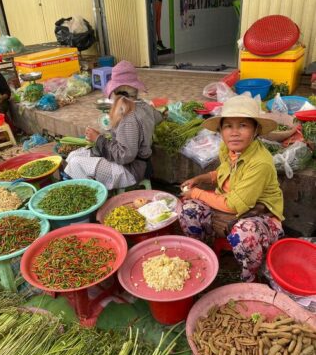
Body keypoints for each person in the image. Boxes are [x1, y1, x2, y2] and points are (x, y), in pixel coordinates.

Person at [179, 95, 284, 282]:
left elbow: (234, 206)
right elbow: (223, 172)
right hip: (229, 201)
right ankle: (205, 255)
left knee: (244, 232)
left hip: (260, 213)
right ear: (221, 130)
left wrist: (195, 192)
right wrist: (200, 178)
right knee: (188, 210)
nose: (234, 132)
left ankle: (249, 278)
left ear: (255, 130)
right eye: (228, 126)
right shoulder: (228, 148)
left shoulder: (260, 162)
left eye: (243, 125)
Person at [64, 60, 163, 190]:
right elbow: (159, 117)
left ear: (117, 93)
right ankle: (92, 188)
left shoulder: (129, 118)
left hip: (130, 170)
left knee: (76, 163)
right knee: (73, 155)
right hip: (132, 163)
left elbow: (125, 156)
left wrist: (98, 139)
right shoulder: (144, 106)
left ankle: (94, 198)